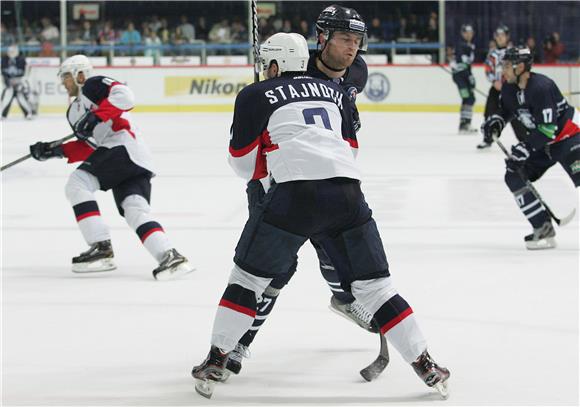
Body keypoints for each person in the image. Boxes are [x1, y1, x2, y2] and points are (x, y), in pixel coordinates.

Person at [191, 32, 450, 400]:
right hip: (348, 192)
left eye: (268, 65)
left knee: (247, 279)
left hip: (293, 195)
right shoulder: (335, 92)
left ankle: (218, 357)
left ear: (276, 65)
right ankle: (427, 365)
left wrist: (271, 156)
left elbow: (243, 164)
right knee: (377, 288)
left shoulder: (255, 93)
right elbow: (350, 148)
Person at [224, 4, 374, 377]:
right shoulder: (294, 67)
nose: (351, 49)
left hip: (323, 173)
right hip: (277, 180)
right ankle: (238, 344)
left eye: (356, 41)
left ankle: (344, 298)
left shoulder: (356, 70)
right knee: (273, 270)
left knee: (336, 246)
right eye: (344, 40)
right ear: (321, 39)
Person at [27, 55, 194, 279]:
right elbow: (89, 147)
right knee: (134, 209)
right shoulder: (73, 111)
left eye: (66, 76)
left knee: (78, 183)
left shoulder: (92, 85)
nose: (63, 83)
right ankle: (170, 256)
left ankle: (101, 247)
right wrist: (54, 150)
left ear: (80, 74)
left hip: (123, 147)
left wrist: (96, 116)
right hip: (132, 158)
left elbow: (124, 95)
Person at [480, 47, 580, 249]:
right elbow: (507, 109)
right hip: (544, 143)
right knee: (514, 174)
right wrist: (497, 121)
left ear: (521, 67)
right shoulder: (509, 88)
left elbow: (548, 128)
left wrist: (525, 148)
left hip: (570, 137)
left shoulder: (541, 87)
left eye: (507, 65)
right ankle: (542, 226)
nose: (503, 70)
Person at [477, 25, 528, 149]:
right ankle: (488, 138)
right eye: (497, 36)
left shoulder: (513, 51)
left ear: (507, 37)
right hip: (496, 88)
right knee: (489, 111)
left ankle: (524, 140)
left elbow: (519, 68)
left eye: (502, 36)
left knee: (516, 113)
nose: (500, 38)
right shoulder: (492, 54)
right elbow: (488, 69)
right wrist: (494, 81)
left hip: (511, 87)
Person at [451, 24, 477, 134]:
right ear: (462, 33)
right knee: (469, 98)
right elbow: (461, 62)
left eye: (471, 32)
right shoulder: (461, 45)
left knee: (468, 98)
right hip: (460, 76)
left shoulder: (469, 45)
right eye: (466, 32)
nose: (469, 35)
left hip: (464, 75)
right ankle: (464, 124)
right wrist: (469, 76)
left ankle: (464, 123)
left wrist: (470, 76)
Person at [1, 45, 34, 119]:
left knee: (22, 97)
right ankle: (2, 114)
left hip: (19, 82)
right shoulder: (4, 59)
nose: (11, 53)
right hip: (8, 83)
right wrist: (7, 82)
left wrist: (20, 82)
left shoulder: (22, 60)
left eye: (13, 51)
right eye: (10, 52)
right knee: (6, 97)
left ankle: (28, 113)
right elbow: (3, 73)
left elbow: (26, 73)